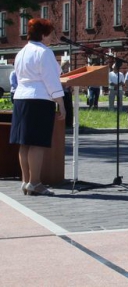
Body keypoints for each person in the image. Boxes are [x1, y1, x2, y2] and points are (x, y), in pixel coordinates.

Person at [10, 18, 67, 196]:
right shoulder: (44, 52)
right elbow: (51, 80)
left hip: (21, 98)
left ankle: (26, 181)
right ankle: (35, 182)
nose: (52, 38)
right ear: (43, 35)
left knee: (25, 143)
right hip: (39, 99)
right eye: (50, 34)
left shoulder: (21, 52)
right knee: (37, 144)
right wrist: (61, 103)